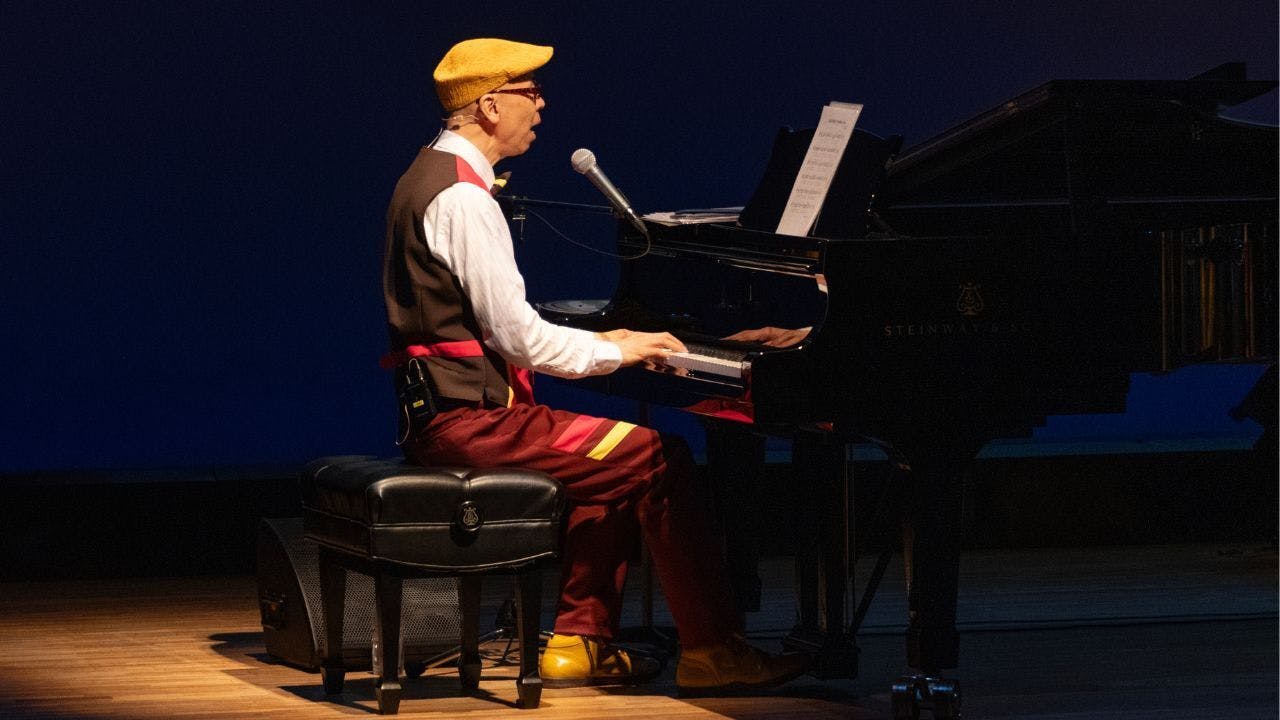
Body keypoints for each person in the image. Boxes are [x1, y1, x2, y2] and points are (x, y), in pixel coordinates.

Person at [380, 37, 808, 695]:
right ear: (490, 105)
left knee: (610, 470)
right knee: (660, 458)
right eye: (530, 92)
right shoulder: (463, 199)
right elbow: (519, 339)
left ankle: (578, 643)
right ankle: (713, 651)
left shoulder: (428, 173)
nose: (541, 105)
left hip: (454, 412)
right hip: (471, 423)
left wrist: (611, 341)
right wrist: (618, 349)